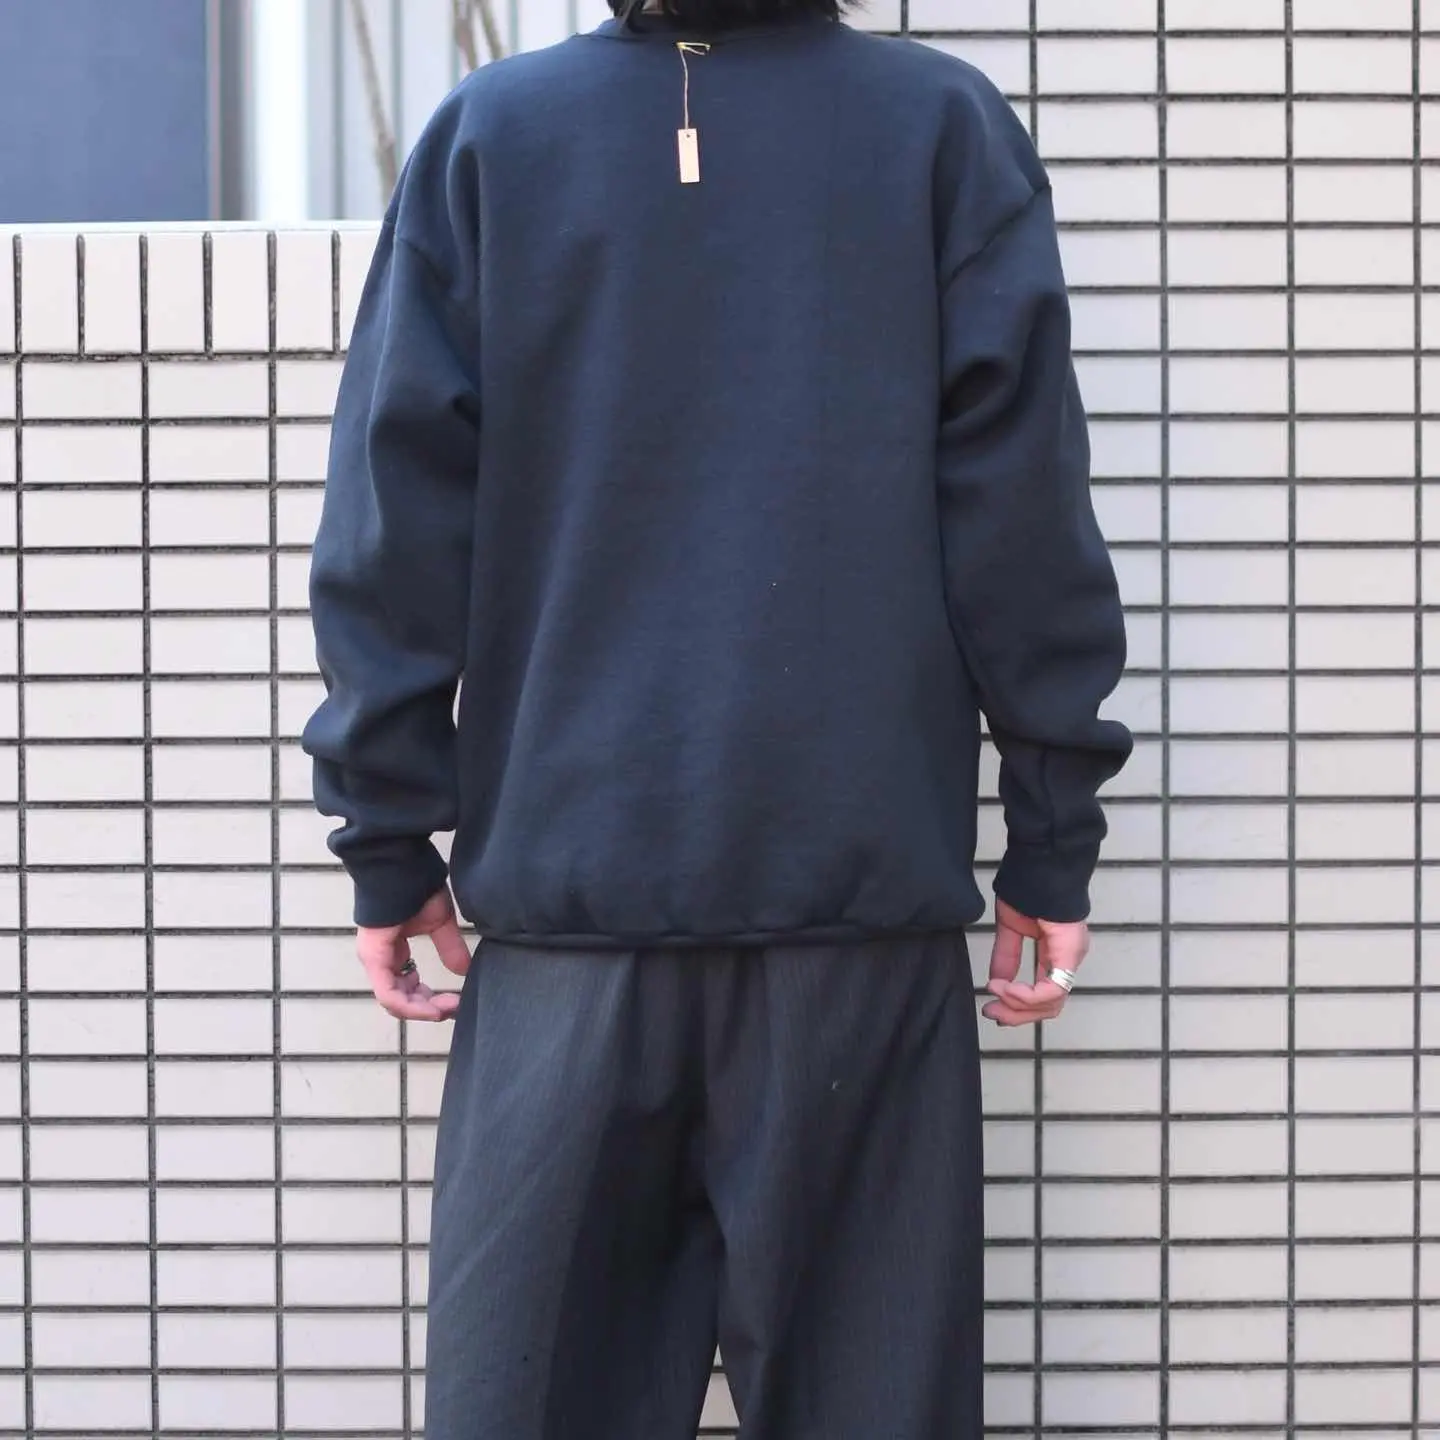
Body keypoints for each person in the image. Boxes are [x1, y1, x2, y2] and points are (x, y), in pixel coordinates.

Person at [301, 0, 1132, 1433]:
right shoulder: (935, 128)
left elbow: (395, 518)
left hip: (573, 942)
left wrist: (386, 833)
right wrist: (1051, 832)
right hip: (852, 934)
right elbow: (1021, 517)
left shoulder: (496, 136)